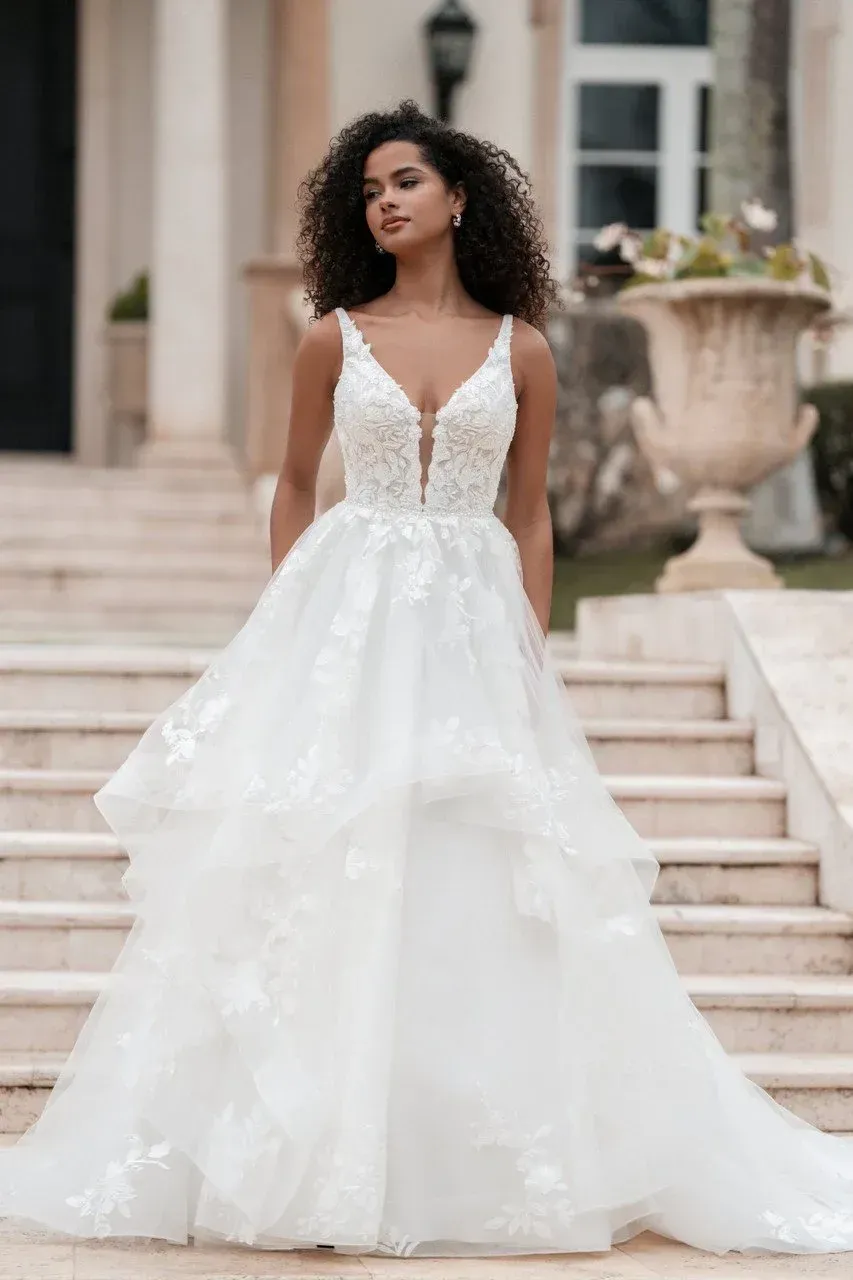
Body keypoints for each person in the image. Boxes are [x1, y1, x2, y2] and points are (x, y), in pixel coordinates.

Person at [0, 99, 851, 1261]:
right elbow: (296, 481)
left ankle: (469, 1145)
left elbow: (530, 506)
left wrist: (527, 640)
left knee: (476, 874)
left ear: (460, 199)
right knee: (327, 872)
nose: (384, 201)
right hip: (349, 613)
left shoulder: (525, 347)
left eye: (405, 181)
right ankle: (313, 1147)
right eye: (368, 190)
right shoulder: (328, 336)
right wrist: (294, 613)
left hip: (470, 615)